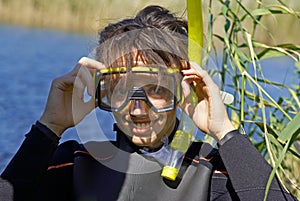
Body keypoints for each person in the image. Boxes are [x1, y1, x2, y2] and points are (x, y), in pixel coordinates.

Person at [1, 5, 297, 201]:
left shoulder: (211, 170)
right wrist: (48, 129)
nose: (138, 108)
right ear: (101, 92)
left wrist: (225, 133)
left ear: (184, 91)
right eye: (122, 89)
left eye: (156, 89)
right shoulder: (73, 164)